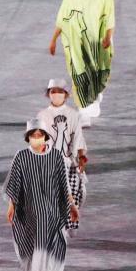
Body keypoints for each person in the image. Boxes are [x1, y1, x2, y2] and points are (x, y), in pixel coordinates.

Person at [3, 120, 79, 271]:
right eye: (32, 136)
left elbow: (64, 183)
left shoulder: (56, 157)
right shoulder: (21, 157)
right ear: (28, 138)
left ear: (46, 136)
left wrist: (71, 205)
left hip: (52, 211)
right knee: (30, 246)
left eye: (39, 135)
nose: (36, 139)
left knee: (51, 247)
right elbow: (14, 182)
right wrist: (11, 206)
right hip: (27, 210)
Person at [49, 0, 115, 127]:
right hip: (76, 43)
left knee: (97, 76)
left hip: (97, 43)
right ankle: (84, 112)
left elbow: (109, 19)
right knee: (80, 75)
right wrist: (54, 38)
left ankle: (95, 94)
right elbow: (62, 18)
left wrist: (108, 37)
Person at [37, 79, 88, 233]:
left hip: (68, 162)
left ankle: (70, 223)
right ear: (48, 94)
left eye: (60, 91)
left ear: (66, 95)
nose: (57, 95)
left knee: (78, 191)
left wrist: (81, 157)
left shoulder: (73, 114)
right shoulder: (42, 115)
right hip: (48, 161)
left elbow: (78, 137)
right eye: (53, 91)